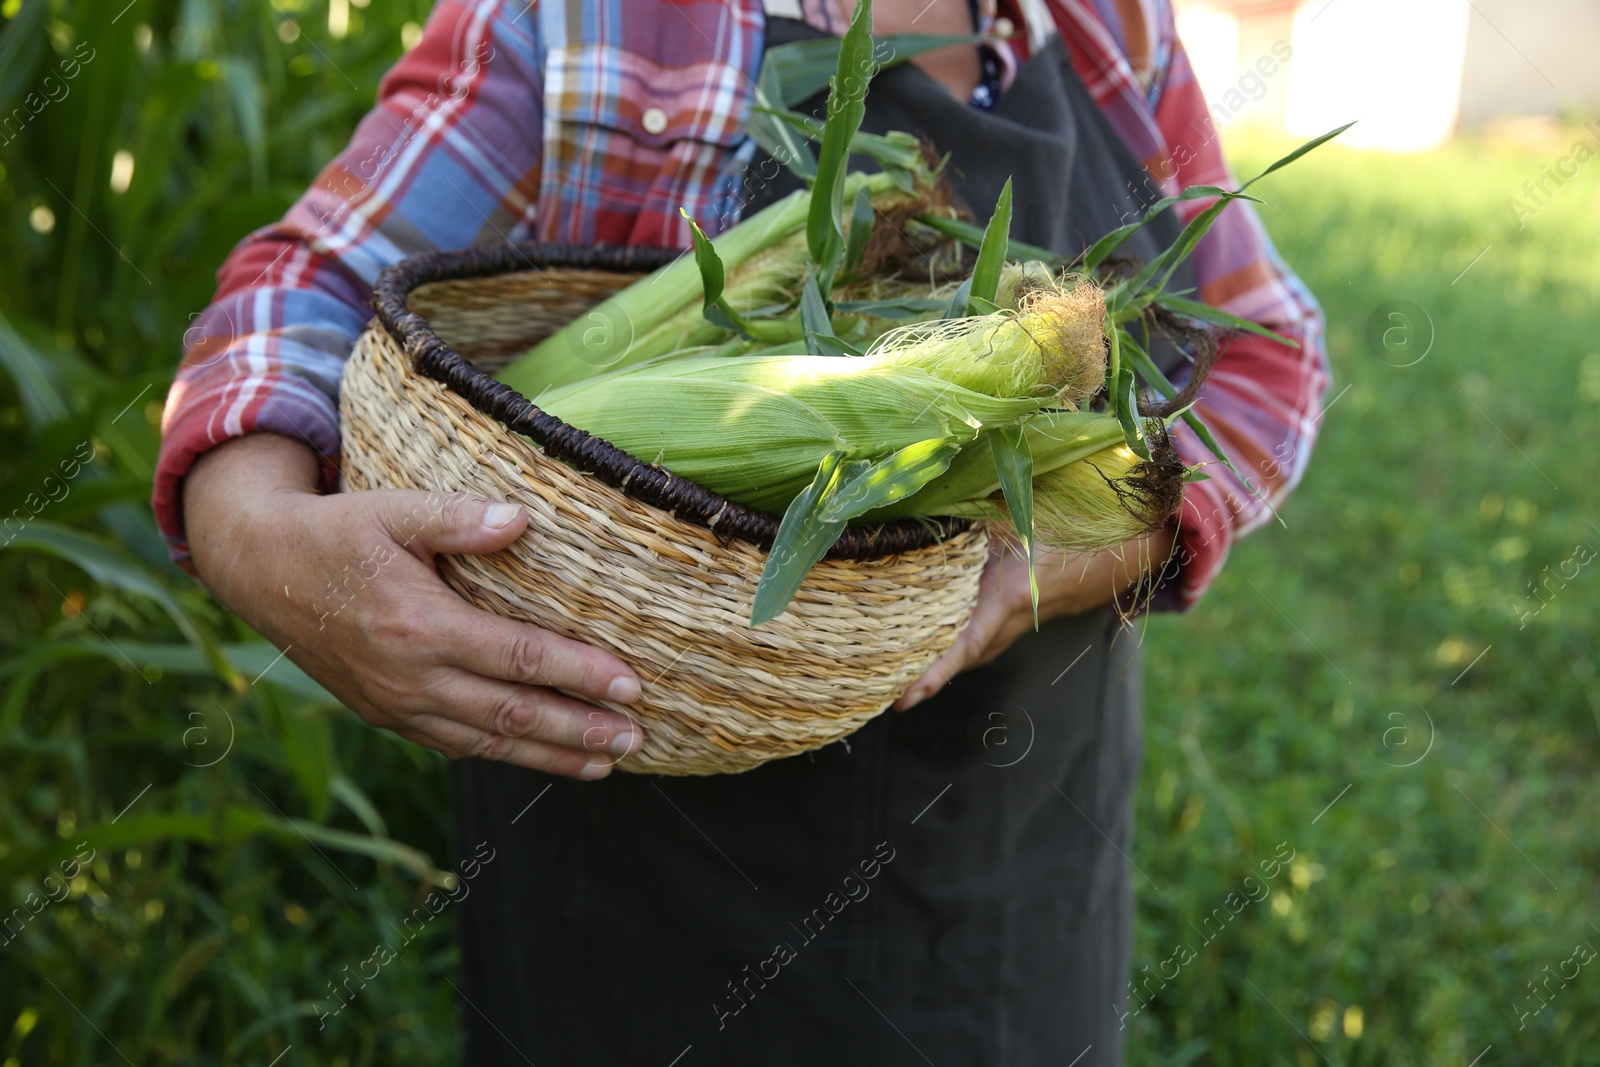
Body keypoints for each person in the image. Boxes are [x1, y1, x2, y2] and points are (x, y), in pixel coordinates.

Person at [156, 0, 1327, 1062]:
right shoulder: (590, 22)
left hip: (1014, 871)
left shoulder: (1110, 28)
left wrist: (1062, 561)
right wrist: (258, 539)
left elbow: (1266, 355)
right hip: (635, 906)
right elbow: (299, 294)